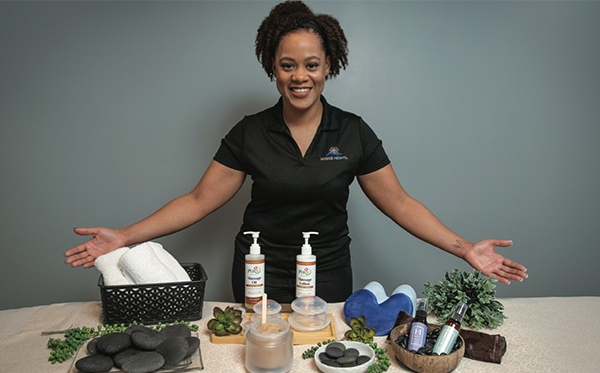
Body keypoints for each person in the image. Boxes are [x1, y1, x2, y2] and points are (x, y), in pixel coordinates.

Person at [65, 1, 527, 303]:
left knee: (318, 364)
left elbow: (401, 204)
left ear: (329, 66)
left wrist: (466, 249)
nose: (299, 76)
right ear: (273, 67)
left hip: (327, 272)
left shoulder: (352, 132)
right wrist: (125, 236)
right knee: (256, 365)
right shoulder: (249, 133)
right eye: (288, 65)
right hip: (257, 268)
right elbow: (198, 200)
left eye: (311, 64)